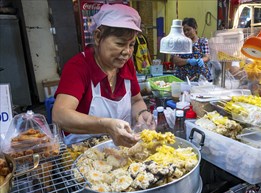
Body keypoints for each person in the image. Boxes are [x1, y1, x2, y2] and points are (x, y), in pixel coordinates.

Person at [52, 4, 154, 147]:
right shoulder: (79, 67)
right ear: (98, 37)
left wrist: (142, 114)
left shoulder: (126, 64)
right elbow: (60, 116)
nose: (127, 52)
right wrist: (106, 125)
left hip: (121, 149)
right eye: (120, 44)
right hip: (82, 150)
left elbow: (136, 101)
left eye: (131, 45)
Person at [171, 17, 211, 82]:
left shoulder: (203, 41)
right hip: (183, 78)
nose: (186, 32)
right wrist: (188, 61)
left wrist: (201, 60)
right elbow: (175, 60)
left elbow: (207, 57)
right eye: (184, 31)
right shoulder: (180, 43)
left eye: (188, 30)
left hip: (200, 79)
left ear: (195, 28)